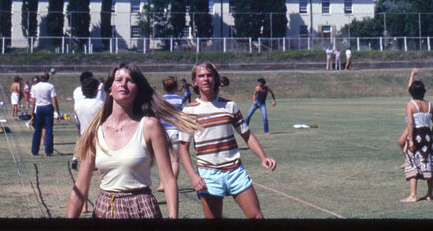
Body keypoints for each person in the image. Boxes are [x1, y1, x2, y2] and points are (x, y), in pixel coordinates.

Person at [66, 63, 196, 219]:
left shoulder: (149, 126)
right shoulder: (95, 133)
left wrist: (173, 218)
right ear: (110, 90)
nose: (123, 84)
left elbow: (168, 180)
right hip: (104, 210)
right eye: (118, 80)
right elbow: (80, 186)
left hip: (141, 208)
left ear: (138, 89)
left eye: (130, 80)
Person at [179, 62, 276, 219]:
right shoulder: (189, 111)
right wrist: (193, 176)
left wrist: (263, 157)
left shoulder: (230, 106)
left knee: (257, 217)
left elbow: (247, 135)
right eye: (201, 76)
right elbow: (183, 148)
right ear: (195, 82)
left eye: (209, 75)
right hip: (208, 176)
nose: (206, 79)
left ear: (215, 79)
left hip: (235, 171)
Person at [401, 78, 433, 203]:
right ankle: (430, 194)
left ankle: (413, 195)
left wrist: (411, 140)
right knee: (429, 163)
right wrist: (431, 135)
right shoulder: (429, 105)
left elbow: (410, 123)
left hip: (416, 135)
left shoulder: (410, 104)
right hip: (428, 136)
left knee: (412, 163)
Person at [156, 76, 186, 192]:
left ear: (163, 87)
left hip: (162, 132)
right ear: (176, 87)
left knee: (162, 159)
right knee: (174, 160)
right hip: (175, 132)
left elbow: (156, 116)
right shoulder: (180, 100)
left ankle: (162, 183)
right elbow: (184, 116)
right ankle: (172, 184)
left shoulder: (160, 100)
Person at [30, 71, 60, 156]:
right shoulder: (50, 86)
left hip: (39, 108)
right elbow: (54, 100)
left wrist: (32, 113)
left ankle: (34, 151)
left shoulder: (35, 87)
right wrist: (57, 112)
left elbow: (33, 101)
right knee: (49, 130)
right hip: (48, 107)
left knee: (37, 130)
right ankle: (48, 151)